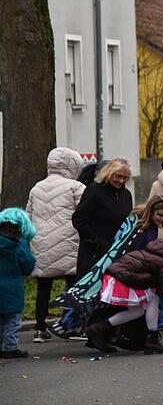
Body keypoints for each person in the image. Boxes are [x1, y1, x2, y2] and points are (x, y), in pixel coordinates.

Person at [87, 197, 163, 355]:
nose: (162, 219)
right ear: (151, 212)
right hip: (127, 274)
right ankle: (150, 339)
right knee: (151, 301)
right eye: (159, 215)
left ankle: (101, 329)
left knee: (142, 308)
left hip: (128, 273)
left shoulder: (148, 229)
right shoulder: (142, 229)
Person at [25, 147, 85, 343]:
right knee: (73, 286)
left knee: (44, 286)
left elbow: (29, 215)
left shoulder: (36, 188)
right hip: (69, 243)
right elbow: (83, 214)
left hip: (41, 244)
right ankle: (71, 325)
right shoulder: (76, 187)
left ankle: (40, 328)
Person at [72, 158, 133, 276]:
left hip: (117, 252)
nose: (121, 181)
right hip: (93, 252)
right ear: (109, 174)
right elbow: (79, 219)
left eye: (125, 178)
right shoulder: (94, 190)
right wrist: (97, 242)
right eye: (118, 176)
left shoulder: (126, 195)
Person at [0, 208, 37, 358]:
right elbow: (28, 265)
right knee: (12, 320)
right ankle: (10, 347)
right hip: (12, 288)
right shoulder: (18, 245)